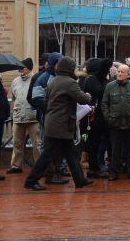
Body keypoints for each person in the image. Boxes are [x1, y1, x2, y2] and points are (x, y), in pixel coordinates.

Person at [24, 56, 94, 190]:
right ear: (69, 68)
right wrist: (89, 95)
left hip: (54, 122)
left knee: (70, 153)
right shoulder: (69, 82)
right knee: (47, 155)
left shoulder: (53, 81)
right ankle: (31, 180)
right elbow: (83, 98)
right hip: (62, 124)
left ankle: (80, 180)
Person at [101, 64, 130, 180]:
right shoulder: (110, 86)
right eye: (118, 71)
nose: (119, 74)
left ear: (128, 74)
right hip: (115, 123)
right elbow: (104, 103)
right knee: (115, 150)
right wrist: (108, 118)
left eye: (122, 72)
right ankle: (114, 172)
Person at [83, 58, 113, 178]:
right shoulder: (91, 79)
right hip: (93, 117)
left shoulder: (92, 78)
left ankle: (95, 166)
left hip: (97, 116)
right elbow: (101, 91)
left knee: (95, 142)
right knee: (93, 143)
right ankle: (93, 168)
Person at [9, 58, 40, 174]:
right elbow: (13, 98)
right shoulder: (15, 81)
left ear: (28, 68)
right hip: (18, 116)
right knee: (17, 142)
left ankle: (39, 166)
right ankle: (16, 166)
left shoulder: (36, 79)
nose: (19, 70)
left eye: (22, 68)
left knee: (37, 143)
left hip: (33, 116)